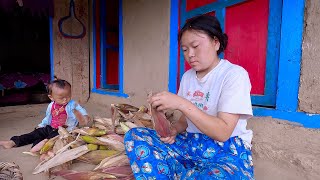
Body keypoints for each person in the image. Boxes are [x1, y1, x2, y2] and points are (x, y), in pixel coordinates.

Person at [124, 14, 254, 179]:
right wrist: (174, 130)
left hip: (226, 151)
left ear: (216, 42)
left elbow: (223, 132)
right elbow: (186, 121)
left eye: (195, 46)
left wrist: (180, 103)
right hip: (190, 144)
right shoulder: (188, 77)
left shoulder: (234, 75)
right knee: (135, 136)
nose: (190, 54)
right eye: (185, 50)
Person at [0, 79, 90, 151]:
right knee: (35, 133)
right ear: (51, 97)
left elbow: (81, 110)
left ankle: (42, 146)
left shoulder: (72, 104)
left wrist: (84, 117)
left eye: (68, 96)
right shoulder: (51, 105)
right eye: (61, 98)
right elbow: (48, 117)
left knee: (53, 139)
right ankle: (13, 142)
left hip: (64, 130)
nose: (65, 100)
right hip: (51, 127)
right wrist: (42, 125)